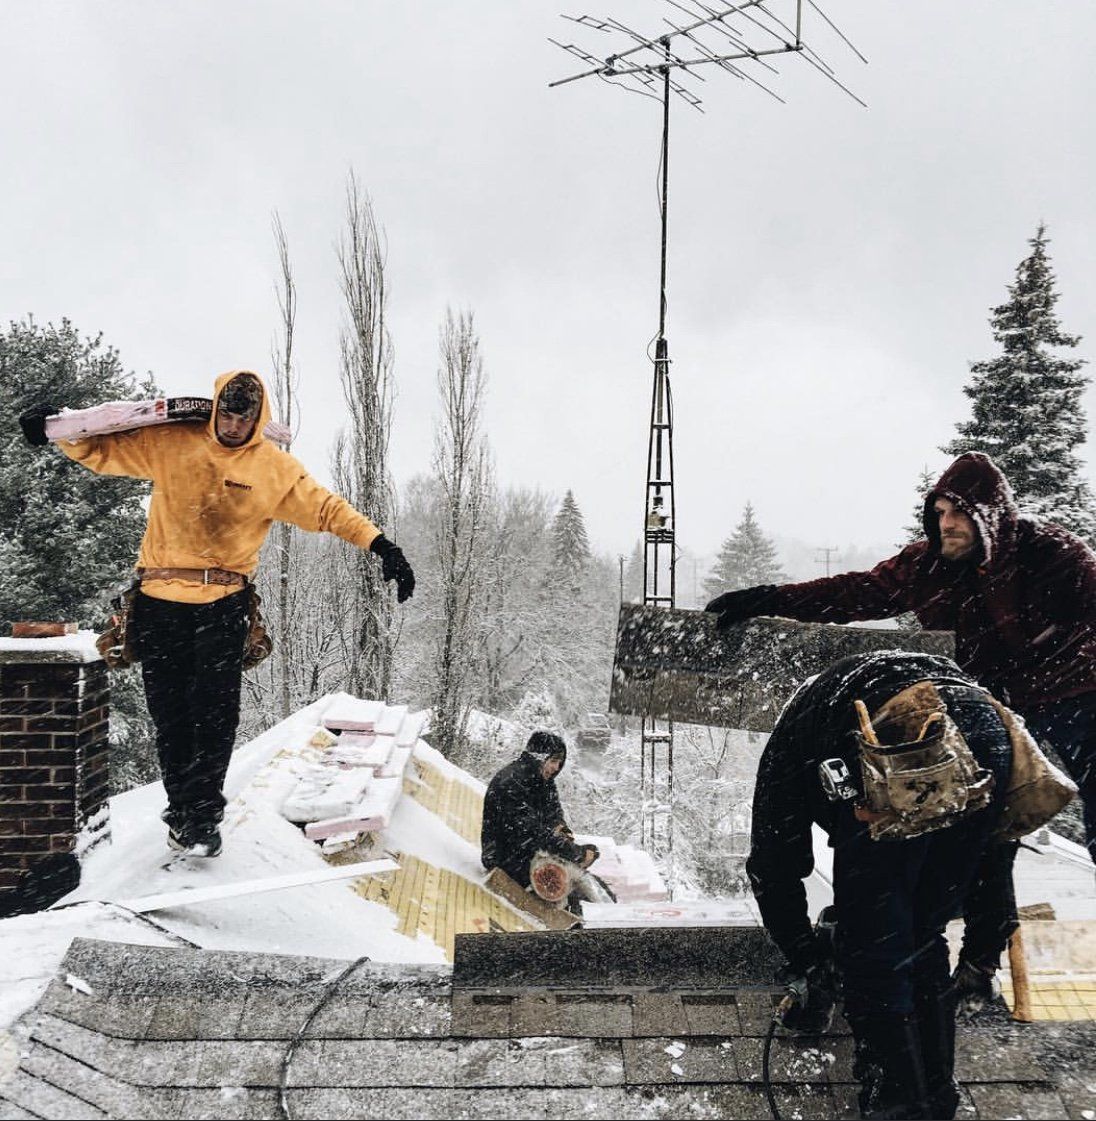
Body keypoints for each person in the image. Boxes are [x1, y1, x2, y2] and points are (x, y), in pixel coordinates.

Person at [707, 451, 1096, 991]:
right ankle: (982, 962)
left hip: (1075, 693)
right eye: (938, 514)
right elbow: (850, 593)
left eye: (958, 513)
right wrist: (769, 598)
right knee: (988, 824)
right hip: (984, 709)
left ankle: (976, 957)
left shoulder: (1053, 555)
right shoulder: (927, 566)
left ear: (992, 515)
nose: (947, 525)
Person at [20, 370, 415, 857]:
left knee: (214, 715)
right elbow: (105, 450)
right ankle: (181, 808)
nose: (231, 425)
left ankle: (202, 818)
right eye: (225, 414)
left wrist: (382, 545)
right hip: (158, 600)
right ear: (215, 410)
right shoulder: (173, 442)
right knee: (171, 715)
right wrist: (57, 432)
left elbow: (327, 510)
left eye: (241, 418)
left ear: (257, 418)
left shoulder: (274, 469)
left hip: (222, 604)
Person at [748, 650, 1012, 1120]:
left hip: (891, 737)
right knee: (918, 936)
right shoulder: (821, 716)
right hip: (988, 723)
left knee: (873, 951)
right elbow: (995, 847)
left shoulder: (797, 739)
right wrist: (983, 949)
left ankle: (899, 1102)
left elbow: (774, 865)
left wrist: (807, 959)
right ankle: (935, 1097)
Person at [481, 731, 603, 909]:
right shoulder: (510, 784)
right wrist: (572, 852)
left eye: (559, 763)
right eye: (553, 761)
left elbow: (553, 814)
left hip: (529, 853)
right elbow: (529, 833)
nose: (556, 767)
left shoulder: (543, 780)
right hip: (506, 857)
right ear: (538, 758)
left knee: (589, 886)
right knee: (568, 892)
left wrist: (563, 832)